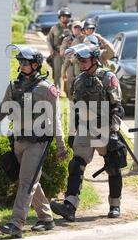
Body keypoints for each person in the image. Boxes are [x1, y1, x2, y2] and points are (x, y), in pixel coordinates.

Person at [0, 45, 68, 238]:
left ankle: (16, 224)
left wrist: (61, 146)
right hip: (18, 141)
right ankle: (46, 218)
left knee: (26, 181)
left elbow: (56, 119)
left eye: (25, 62)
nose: (21, 64)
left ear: (36, 64)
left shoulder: (47, 89)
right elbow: (3, 108)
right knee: (30, 180)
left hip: (38, 142)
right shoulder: (13, 86)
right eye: (20, 61)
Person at [50, 43, 127, 221]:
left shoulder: (108, 77)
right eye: (80, 60)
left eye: (85, 60)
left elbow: (117, 108)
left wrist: (114, 132)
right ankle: (69, 206)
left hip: (105, 127)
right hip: (85, 128)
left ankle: (115, 205)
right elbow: (75, 109)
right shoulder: (79, 80)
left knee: (113, 166)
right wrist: (71, 132)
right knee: (76, 165)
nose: (81, 63)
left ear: (95, 59)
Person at [47, 7, 72, 90]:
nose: (65, 18)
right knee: (57, 72)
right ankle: (56, 88)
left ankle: (67, 90)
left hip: (69, 54)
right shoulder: (54, 28)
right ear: (60, 17)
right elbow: (49, 39)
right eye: (63, 16)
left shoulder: (72, 27)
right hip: (57, 53)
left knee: (69, 72)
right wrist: (51, 49)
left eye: (67, 16)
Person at [60, 20, 84, 97]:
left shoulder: (84, 39)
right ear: (72, 29)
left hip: (82, 64)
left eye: (79, 27)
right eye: (75, 27)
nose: (77, 29)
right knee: (69, 85)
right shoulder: (67, 39)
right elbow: (62, 52)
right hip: (70, 64)